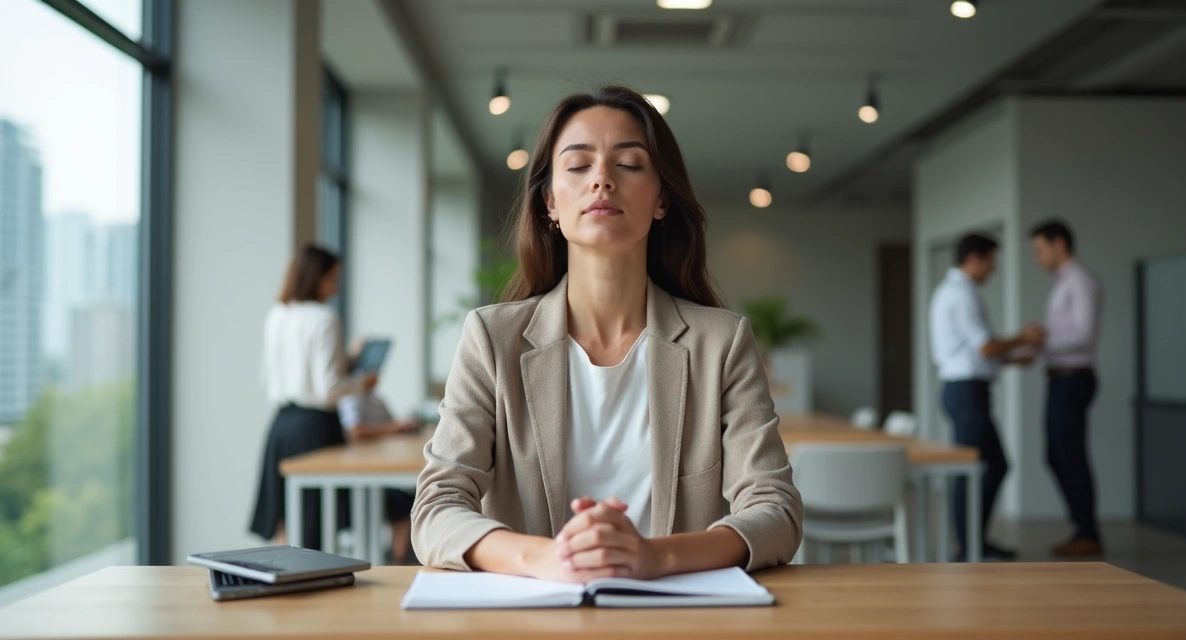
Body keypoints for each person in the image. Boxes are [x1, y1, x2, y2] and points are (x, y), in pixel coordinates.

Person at [410, 85, 802, 582]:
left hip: (678, 618)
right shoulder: (492, 338)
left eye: (630, 164)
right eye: (578, 166)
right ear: (550, 201)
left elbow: (776, 509)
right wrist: (546, 558)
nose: (602, 180)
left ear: (661, 199)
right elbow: (436, 507)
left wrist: (657, 556)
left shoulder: (721, 343)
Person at [250, 244, 374, 550]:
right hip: (315, 428)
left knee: (285, 520)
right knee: (315, 524)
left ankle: (281, 587)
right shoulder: (324, 318)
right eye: (333, 276)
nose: (336, 285)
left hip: (281, 424)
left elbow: (270, 375)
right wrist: (362, 382)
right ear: (317, 278)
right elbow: (328, 389)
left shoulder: (277, 315)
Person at [929, 233, 1043, 562]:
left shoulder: (953, 291)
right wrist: (1023, 337)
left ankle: (972, 541)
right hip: (966, 392)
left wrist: (1011, 359)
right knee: (979, 468)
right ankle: (967, 546)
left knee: (989, 466)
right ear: (975, 258)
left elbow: (976, 353)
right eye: (991, 261)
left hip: (964, 389)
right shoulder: (961, 293)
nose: (993, 269)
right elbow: (985, 346)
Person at [1030, 220, 1104, 557]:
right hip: (1059, 377)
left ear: (1059, 244)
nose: (1038, 257)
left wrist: (1043, 343)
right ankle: (1081, 527)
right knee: (1056, 454)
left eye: (1040, 250)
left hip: (1073, 378)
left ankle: (1087, 531)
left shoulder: (1080, 282)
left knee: (1070, 455)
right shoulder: (1064, 283)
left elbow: (1084, 334)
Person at [337, 339, 423, 564]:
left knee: (414, 499)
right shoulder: (350, 397)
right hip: (358, 479)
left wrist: (402, 426)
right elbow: (354, 431)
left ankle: (400, 559)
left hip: (378, 472)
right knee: (406, 504)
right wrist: (396, 427)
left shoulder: (376, 398)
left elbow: (392, 423)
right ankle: (397, 562)